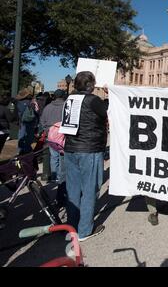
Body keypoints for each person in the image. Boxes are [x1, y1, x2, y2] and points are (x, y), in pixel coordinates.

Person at [64, 72, 108, 242]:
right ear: (90, 85)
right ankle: (84, 231)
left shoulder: (70, 99)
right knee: (90, 189)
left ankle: (71, 228)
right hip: (89, 149)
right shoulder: (93, 100)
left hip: (70, 149)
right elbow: (108, 112)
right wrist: (108, 95)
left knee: (73, 190)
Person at [40, 89, 67, 208]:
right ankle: (60, 178)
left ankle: (55, 176)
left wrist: (48, 130)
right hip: (63, 137)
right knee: (62, 158)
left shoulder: (47, 107)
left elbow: (42, 122)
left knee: (53, 157)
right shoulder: (66, 106)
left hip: (51, 136)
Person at [16, 87, 39, 155]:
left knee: (21, 139)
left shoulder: (18, 103)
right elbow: (36, 113)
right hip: (30, 123)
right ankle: (26, 155)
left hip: (21, 123)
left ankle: (20, 154)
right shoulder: (31, 103)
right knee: (28, 140)